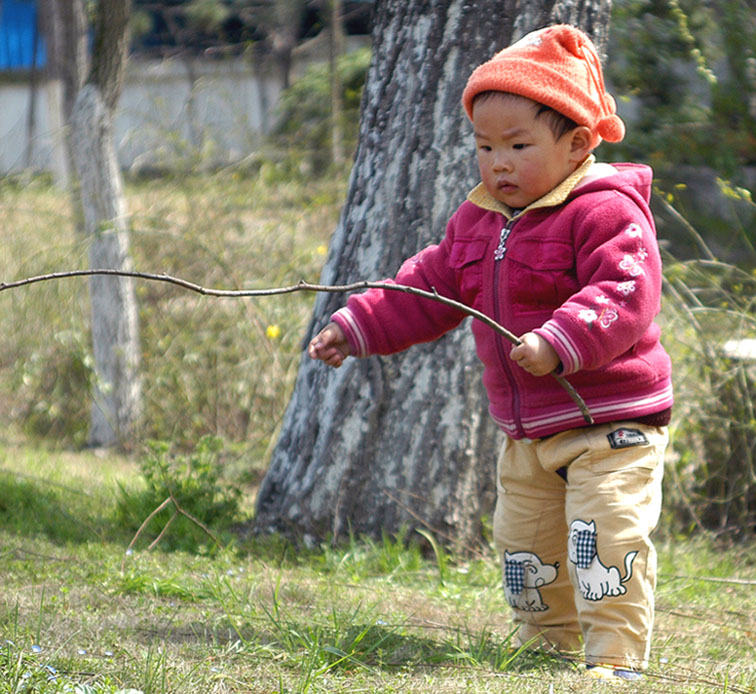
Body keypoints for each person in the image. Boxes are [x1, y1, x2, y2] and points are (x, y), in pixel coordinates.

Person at [308, 24, 672, 681]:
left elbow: (626, 290)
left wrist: (560, 340)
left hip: (610, 425)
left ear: (578, 144)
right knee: (525, 548)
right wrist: (358, 324)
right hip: (526, 435)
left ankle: (614, 659)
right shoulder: (477, 223)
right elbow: (428, 287)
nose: (497, 162)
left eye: (518, 145)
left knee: (605, 541)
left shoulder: (603, 213)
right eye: (483, 146)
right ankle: (547, 647)